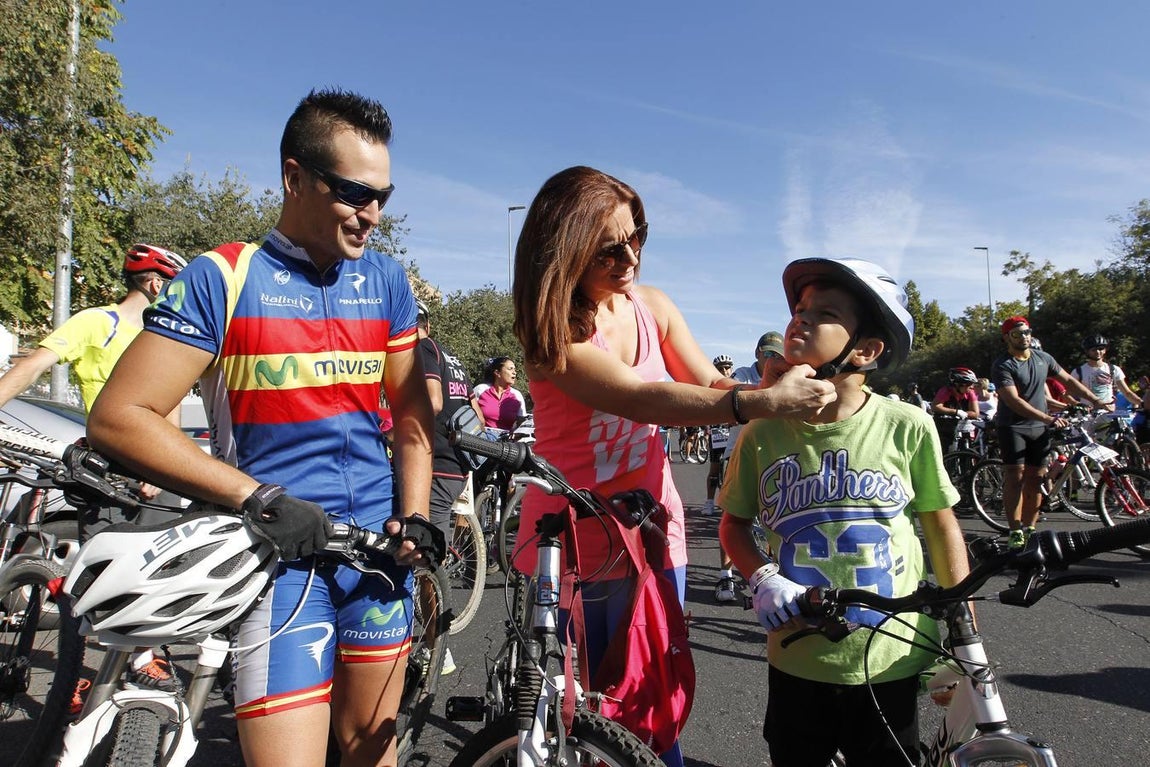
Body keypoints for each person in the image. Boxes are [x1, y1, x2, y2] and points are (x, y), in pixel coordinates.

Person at [87, 88, 435, 767]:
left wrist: (417, 513)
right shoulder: (223, 277)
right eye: (353, 193)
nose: (371, 216)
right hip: (278, 566)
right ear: (294, 176)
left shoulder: (388, 280)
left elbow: (412, 413)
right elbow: (119, 416)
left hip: (374, 560)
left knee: (374, 757)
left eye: (382, 198)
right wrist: (255, 496)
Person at [510, 165, 835, 766]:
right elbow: (638, 396)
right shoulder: (548, 330)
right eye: (608, 246)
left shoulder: (651, 306)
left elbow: (704, 383)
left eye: (637, 237)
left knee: (653, 690)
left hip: (653, 530)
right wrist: (754, 402)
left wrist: (757, 383)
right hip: (571, 537)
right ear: (563, 247)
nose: (629, 257)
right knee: (580, 710)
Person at [718, 257, 970, 767]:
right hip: (798, 653)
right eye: (801, 308)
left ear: (867, 350)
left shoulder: (908, 425)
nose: (800, 318)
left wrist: (965, 628)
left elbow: (941, 528)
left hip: (891, 654)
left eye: (824, 312)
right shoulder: (762, 432)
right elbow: (733, 526)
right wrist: (762, 576)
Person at [0, 242, 186, 692]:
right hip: (107, 467)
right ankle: (75, 678)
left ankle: (139, 662)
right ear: (155, 282)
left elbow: (172, 409)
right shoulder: (96, 323)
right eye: (174, 286)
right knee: (99, 572)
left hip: (153, 471)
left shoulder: (169, 334)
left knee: (153, 575)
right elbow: (31, 367)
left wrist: (163, 469)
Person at [992, 316, 1107, 549]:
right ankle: (1015, 530)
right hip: (1013, 427)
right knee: (1016, 478)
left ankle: (1030, 528)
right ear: (1007, 338)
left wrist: (1095, 400)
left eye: (1027, 332)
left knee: (1036, 479)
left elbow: (1068, 381)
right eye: (1017, 334)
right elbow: (1013, 401)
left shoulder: (1044, 358)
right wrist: (1048, 418)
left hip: (1039, 428)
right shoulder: (1003, 365)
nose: (1024, 337)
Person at [415, 298, 483, 677]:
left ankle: (436, 648)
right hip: (458, 462)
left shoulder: (422, 348)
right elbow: (475, 409)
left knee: (425, 556)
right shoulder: (452, 356)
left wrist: (393, 429)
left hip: (434, 462)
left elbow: (433, 400)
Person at [1072, 334, 1143, 411]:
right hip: (1088, 416)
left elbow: (1127, 393)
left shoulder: (1113, 369)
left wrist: (1143, 404)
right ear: (1087, 351)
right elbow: (1068, 394)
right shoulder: (1078, 372)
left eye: (1101, 348)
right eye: (1093, 349)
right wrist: (1079, 406)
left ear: (1105, 350)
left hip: (1109, 413)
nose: (1098, 352)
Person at [473, 355, 527, 432]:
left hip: (507, 441)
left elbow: (522, 424)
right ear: (497, 373)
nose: (514, 372)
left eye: (515, 369)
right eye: (510, 369)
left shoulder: (517, 396)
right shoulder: (480, 390)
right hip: (482, 438)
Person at [931, 366, 979, 451]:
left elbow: (975, 413)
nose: (972, 387)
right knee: (946, 451)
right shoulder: (945, 391)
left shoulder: (970, 393)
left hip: (963, 428)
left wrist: (965, 413)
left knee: (966, 452)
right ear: (958, 384)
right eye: (969, 384)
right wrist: (956, 412)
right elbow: (935, 406)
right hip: (944, 428)